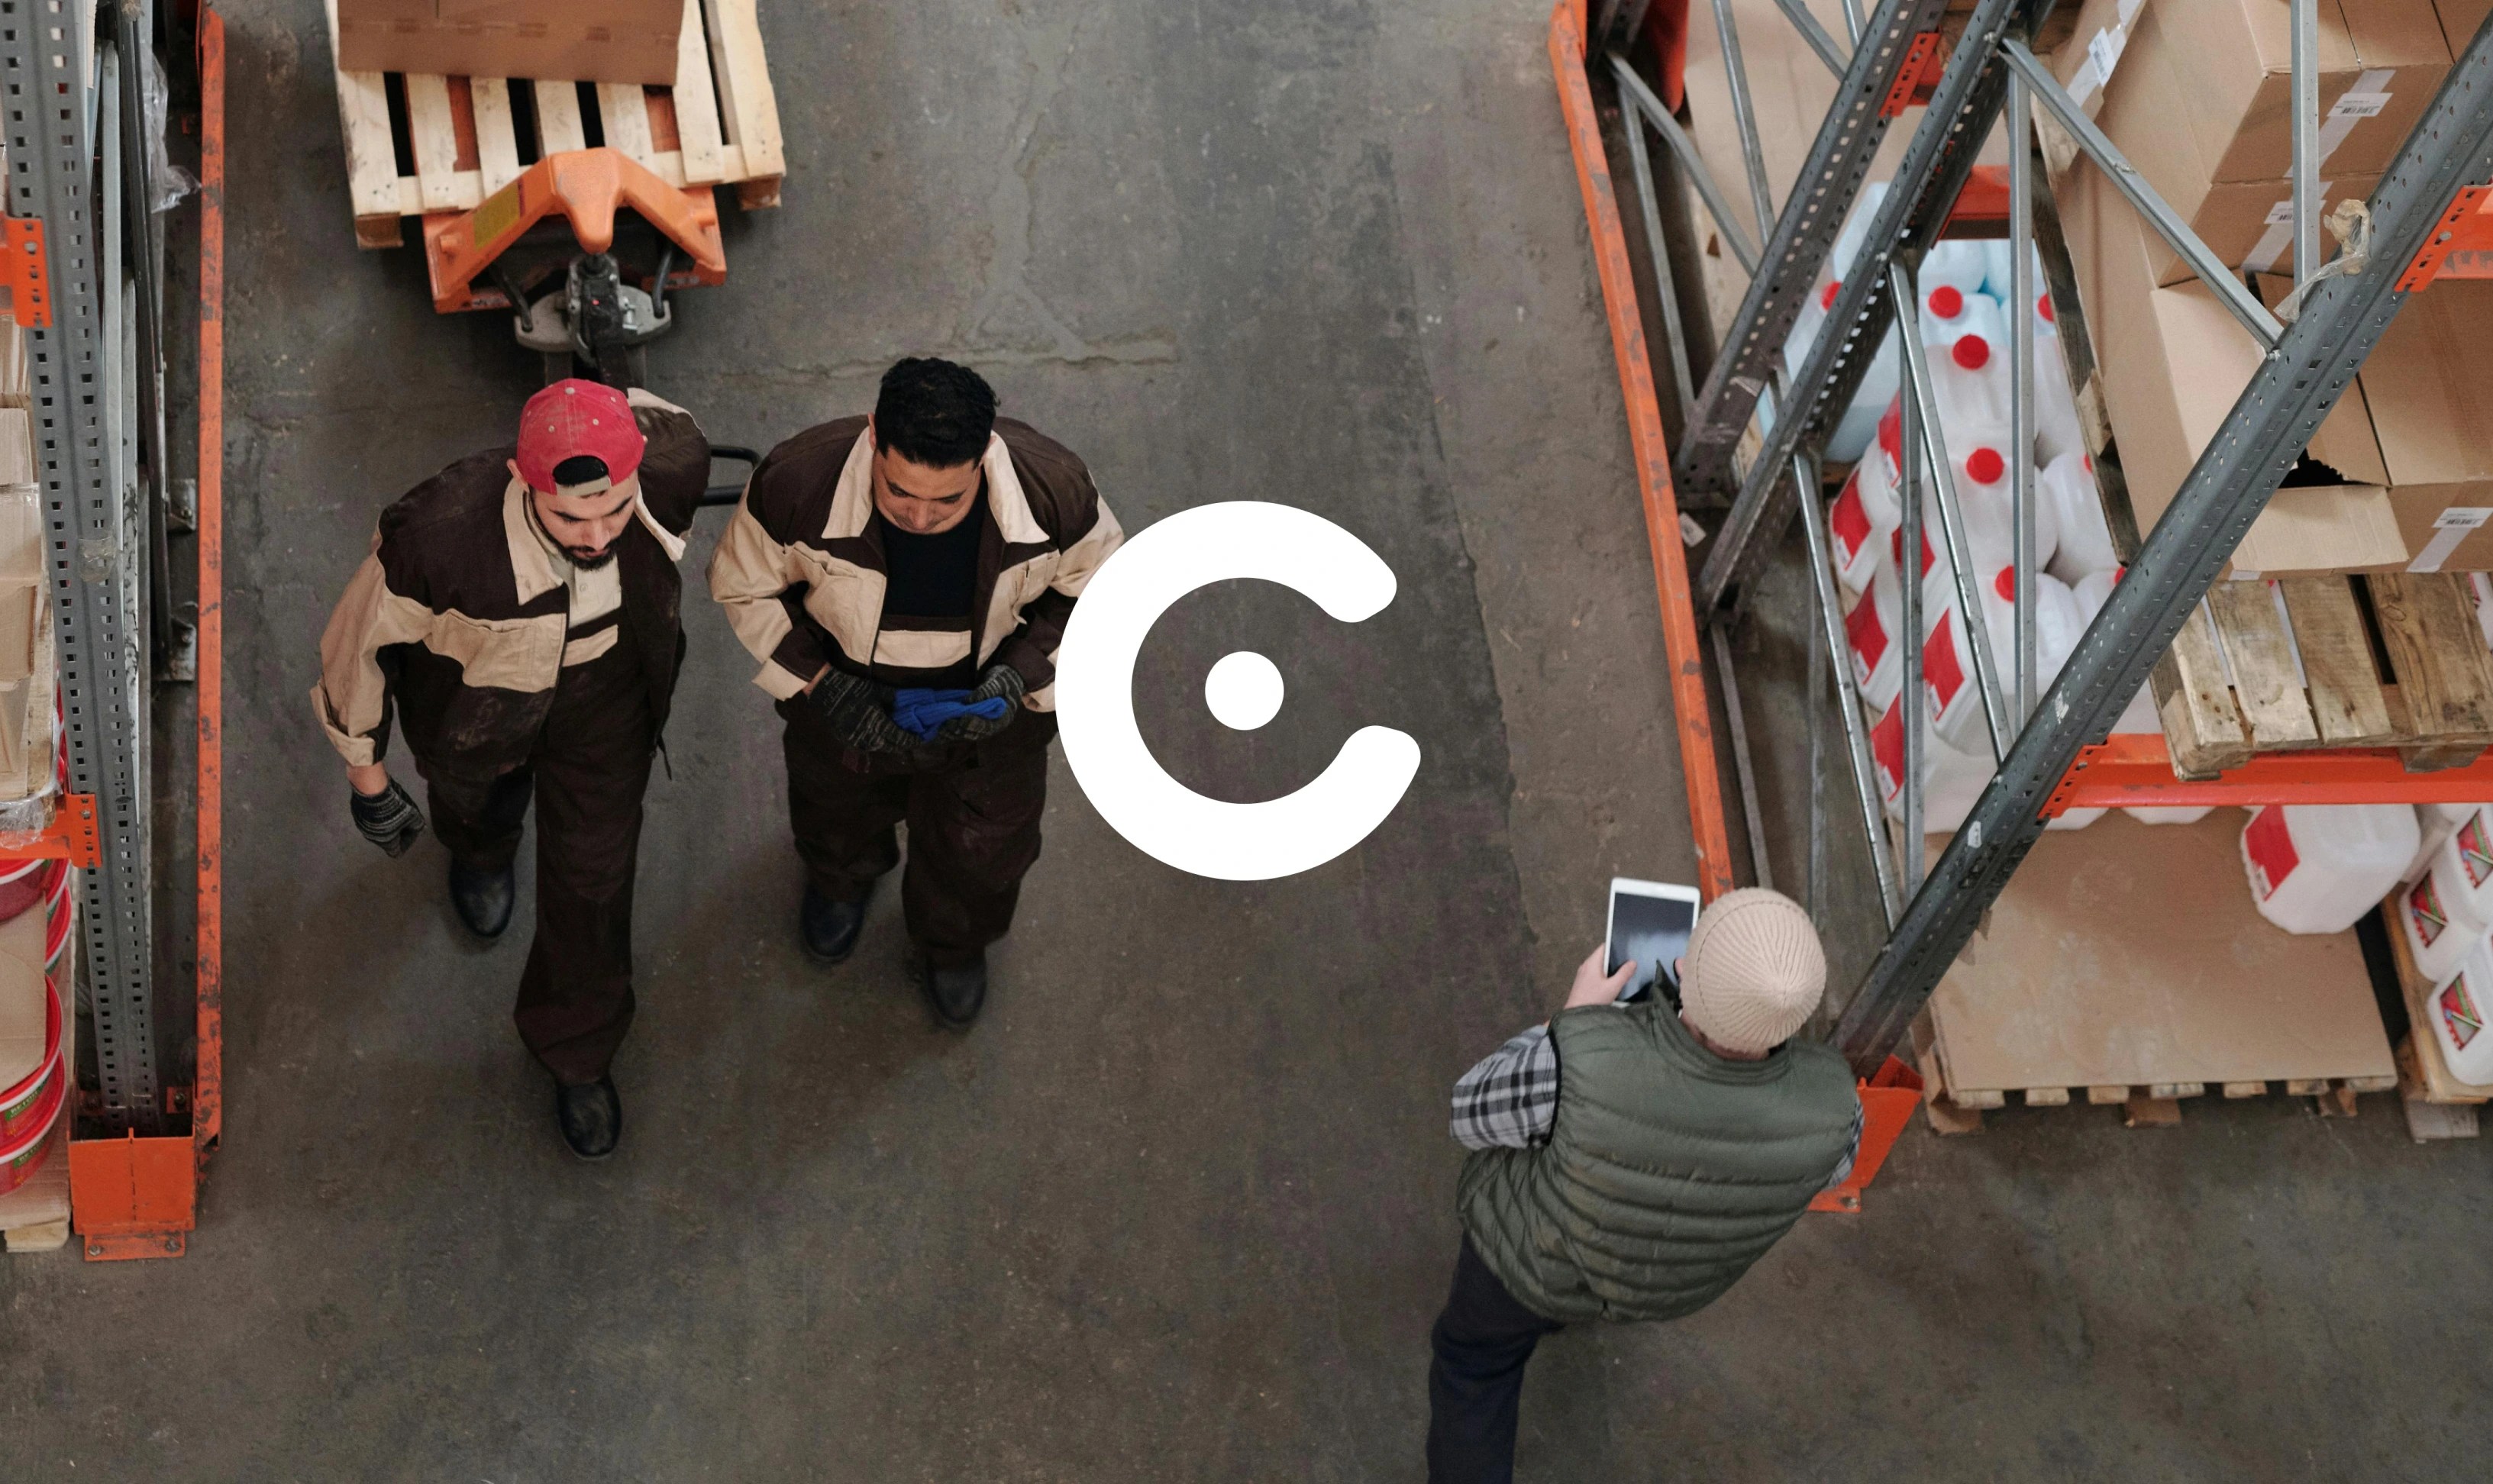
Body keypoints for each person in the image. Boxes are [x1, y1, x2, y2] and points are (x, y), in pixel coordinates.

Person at [313, 379, 709, 1160]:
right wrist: (368, 778)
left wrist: (589, 397)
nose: (597, 534)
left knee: (595, 884)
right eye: (569, 516)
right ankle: (482, 850)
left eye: (615, 510)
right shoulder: (436, 540)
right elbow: (355, 648)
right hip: (477, 718)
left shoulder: (670, 467)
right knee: (475, 810)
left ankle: (578, 1050)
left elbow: (664, 417)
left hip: (606, 706)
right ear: (525, 482)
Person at [706, 357, 1120, 1026]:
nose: (920, 515)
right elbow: (744, 586)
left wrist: (1023, 674)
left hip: (992, 718)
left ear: (986, 454)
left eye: (947, 500)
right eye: (899, 491)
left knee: (984, 847)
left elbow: (1102, 596)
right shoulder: (796, 482)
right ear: (873, 436)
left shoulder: (1056, 491)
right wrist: (820, 683)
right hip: (841, 704)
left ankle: (953, 944)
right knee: (835, 810)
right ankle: (843, 881)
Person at [1427, 888, 1865, 1483]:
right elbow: (1829, 1170)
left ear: (1686, 973)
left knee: (1473, 1366)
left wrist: (1564, 1027)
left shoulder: (1577, 1063)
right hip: (1660, 1286)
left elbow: (1469, 1115)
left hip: (1523, 1266)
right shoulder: (1838, 1108)